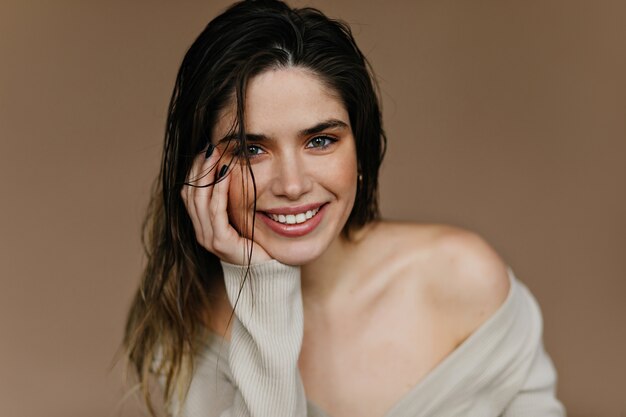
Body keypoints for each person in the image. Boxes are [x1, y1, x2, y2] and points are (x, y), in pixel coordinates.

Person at [123, 1, 566, 416]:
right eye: (251, 149)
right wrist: (262, 289)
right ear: (202, 170)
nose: (293, 185)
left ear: (361, 150)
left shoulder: (460, 278)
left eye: (320, 141)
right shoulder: (188, 323)